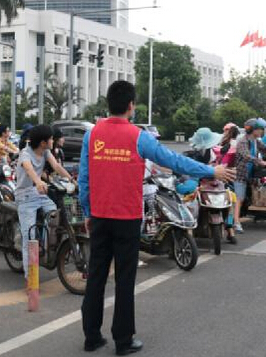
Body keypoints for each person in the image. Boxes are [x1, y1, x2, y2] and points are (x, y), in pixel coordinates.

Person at [78, 80, 235, 356]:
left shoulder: (92, 135)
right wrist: (211, 172)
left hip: (100, 216)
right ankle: (123, 341)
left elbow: (84, 180)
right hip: (126, 219)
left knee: (96, 277)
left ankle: (92, 337)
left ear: (108, 104)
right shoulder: (139, 137)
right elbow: (173, 161)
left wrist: (89, 212)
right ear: (130, 106)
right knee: (125, 280)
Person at [14, 124, 73, 278]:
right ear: (43, 142)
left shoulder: (46, 152)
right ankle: (31, 276)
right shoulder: (25, 154)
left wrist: (72, 179)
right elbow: (29, 169)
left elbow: (56, 166)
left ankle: (45, 246)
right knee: (29, 238)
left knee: (55, 215)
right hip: (25, 196)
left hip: (39, 193)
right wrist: (38, 181)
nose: (53, 141)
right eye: (51, 139)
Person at [233, 118, 266, 234]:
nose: (261, 131)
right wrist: (262, 162)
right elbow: (247, 156)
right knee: (239, 198)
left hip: (252, 174)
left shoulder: (256, 141)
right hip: (241, 174)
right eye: (259, 129)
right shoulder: (243, 141)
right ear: (252, 130)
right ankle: (236, 222)